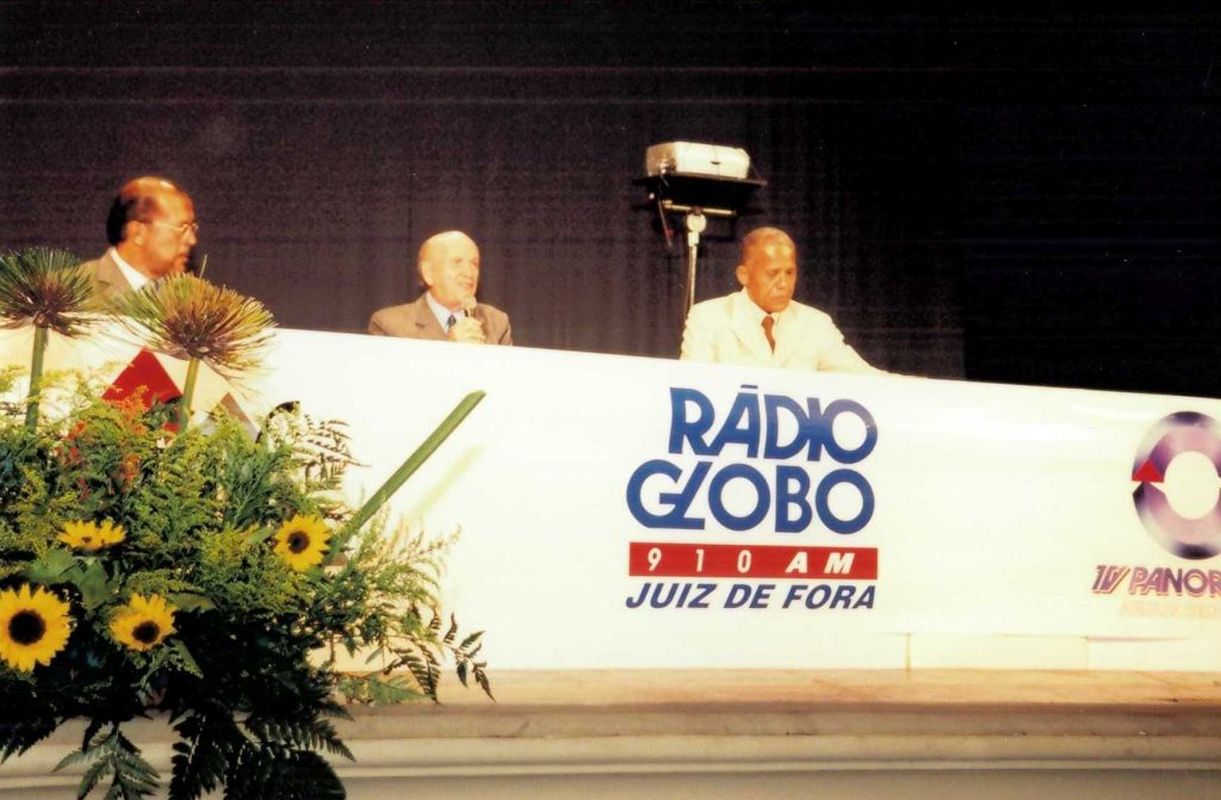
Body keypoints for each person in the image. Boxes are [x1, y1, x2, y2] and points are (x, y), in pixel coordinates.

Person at [680, 226, 883, 374]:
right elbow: (690, 387)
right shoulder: (708, 318)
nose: (783, 283)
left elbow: (866, 378)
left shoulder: (816, 323)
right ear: (744, 275)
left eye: (790, 272)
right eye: (772, 273)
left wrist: (905, 388)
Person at [368, 230, 512, 345]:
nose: (469, 273)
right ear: (428, 273)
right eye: (457, 262)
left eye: (474, 264)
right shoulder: (389, 325)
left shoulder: (497, 322)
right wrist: (448, 348)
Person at [80, 176, 199, 301]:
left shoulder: (192, 298)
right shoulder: (76, 292)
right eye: (183, 228)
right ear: (138, 232)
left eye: (193, 229)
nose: (192, 240)